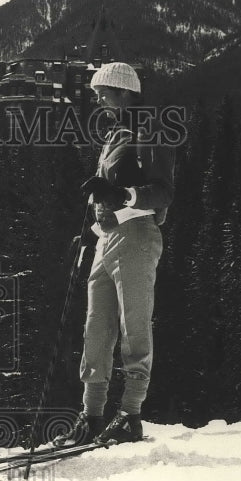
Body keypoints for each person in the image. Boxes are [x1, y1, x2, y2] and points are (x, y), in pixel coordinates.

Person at [52, 62, 175, 448]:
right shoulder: (115, 136)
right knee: (96, 328)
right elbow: (108, 196)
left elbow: (163, 192)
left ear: (124, 91)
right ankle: (91, 416)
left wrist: (124, 195)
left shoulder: (151, 129)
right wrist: (90, 234)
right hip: (107, 239)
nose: (99, 99)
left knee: (134, 327)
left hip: (137, 236)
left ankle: (130, 415)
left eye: (103, 92)